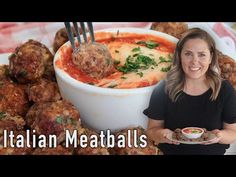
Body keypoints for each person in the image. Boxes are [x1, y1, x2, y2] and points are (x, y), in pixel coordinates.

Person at [143, 28, 236, 155]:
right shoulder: (163, 88)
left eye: (202, 54)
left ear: (211, 57)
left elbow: (233, 133)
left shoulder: (225, 89)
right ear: (179, 56)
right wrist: (162, 134)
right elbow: (151, 131)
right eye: (188, 54)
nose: (194, 61)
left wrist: (219, 135)